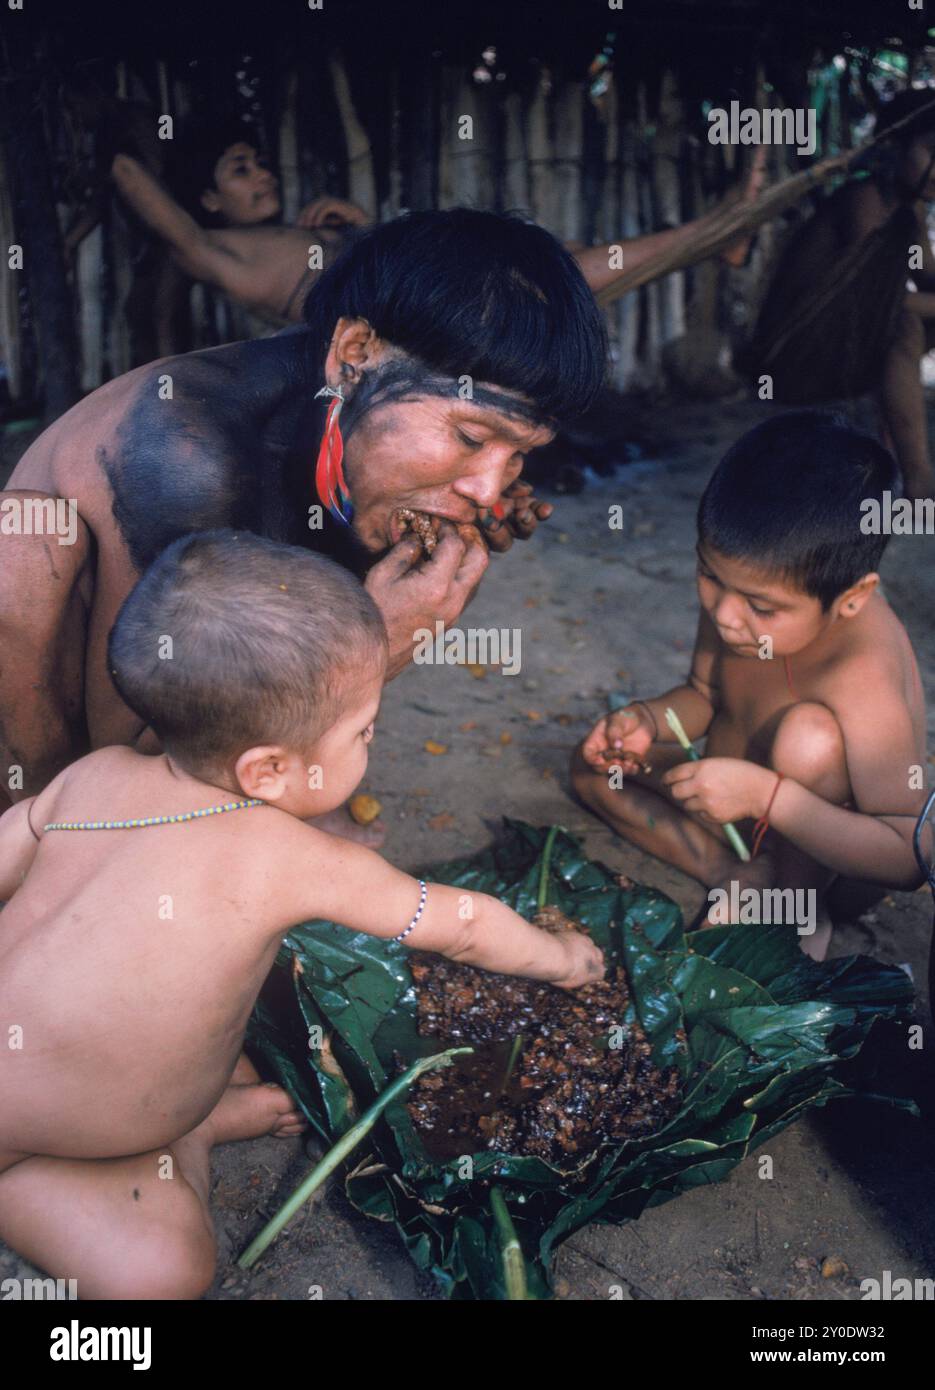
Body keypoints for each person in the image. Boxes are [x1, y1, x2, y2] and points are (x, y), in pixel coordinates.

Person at [0, 531, 603, 1301]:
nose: (370, 746)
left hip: (49, 1110)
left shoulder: (91, 779)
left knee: (159, 1241)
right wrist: (561, 959)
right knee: (163, 1277)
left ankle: (175, 1125)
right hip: (45, 1128)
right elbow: (464, 924)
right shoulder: (287, 857)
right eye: (363, 732)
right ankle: (178, 1131)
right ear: (270, 770)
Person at [0, 208, 605, 844]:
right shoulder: (185, 456)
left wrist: (420, 523)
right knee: (21, 551)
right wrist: (372, 648)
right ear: (354, 354)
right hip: (71, 738)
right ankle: (44, 833)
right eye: (470, 436)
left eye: (517, 456)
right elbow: (140, 755)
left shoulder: (348, 419)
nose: (489, 488)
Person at [571, 412, 929, 960]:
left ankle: (795, 903)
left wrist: (769, 797)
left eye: (761, 606)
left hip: (825, 853)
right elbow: (704, 697)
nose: (726, 615)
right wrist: (646, 720)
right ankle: (740, 875)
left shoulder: (863, 670)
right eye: (708, 576)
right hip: (728, 809)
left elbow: (910, 856)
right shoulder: (737, 598)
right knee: (594, 771)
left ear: (852, 598)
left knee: (810, 738)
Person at [110, 123, 766, 337]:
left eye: (258, 163)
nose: (263, 177)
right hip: (408, 309)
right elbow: (174, 230)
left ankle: (717, 236)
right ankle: (716, 228)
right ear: (206, 199)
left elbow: (368, 256)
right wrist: (109, 150)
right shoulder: (219, 253)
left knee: (558, 255)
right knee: (566, 270)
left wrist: (357, 226)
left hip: (412, 275)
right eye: (239, 170)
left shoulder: (283, 232)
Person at [741, 88, 935, 500]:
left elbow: (928, 276)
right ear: (894, 148)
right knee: (902, 327)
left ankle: (896, 441)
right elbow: (875, 298)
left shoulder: (908, 208)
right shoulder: (864, 199)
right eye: (931, 151)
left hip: (844, 348)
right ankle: (920, 481)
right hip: (795, 358)